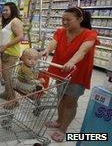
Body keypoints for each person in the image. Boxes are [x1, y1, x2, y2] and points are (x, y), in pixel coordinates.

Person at [42, 7, 99, 142]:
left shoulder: (90, 34)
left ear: (80, 19)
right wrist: (46, 51)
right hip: (60, 70)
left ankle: (63, 129)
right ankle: (59, 120)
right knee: (61, 97)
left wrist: (72, 62)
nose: (64, 22)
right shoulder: (60, 32)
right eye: (63, 19)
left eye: (68, 20)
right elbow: (53, 44)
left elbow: (83, 51)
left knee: (70, 102)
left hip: (77, 72)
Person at [0, 2, 23, 105]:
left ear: (13, 10)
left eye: (7, 10)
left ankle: (13, 101)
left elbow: (20, 37)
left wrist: (6, 46)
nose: (4, 12)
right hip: (5, 52)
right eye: (3, 10)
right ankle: (7, 93)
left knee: (8, 77)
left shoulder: (15, 21)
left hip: (10, 53)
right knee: (5, 76)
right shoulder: (9, 22)